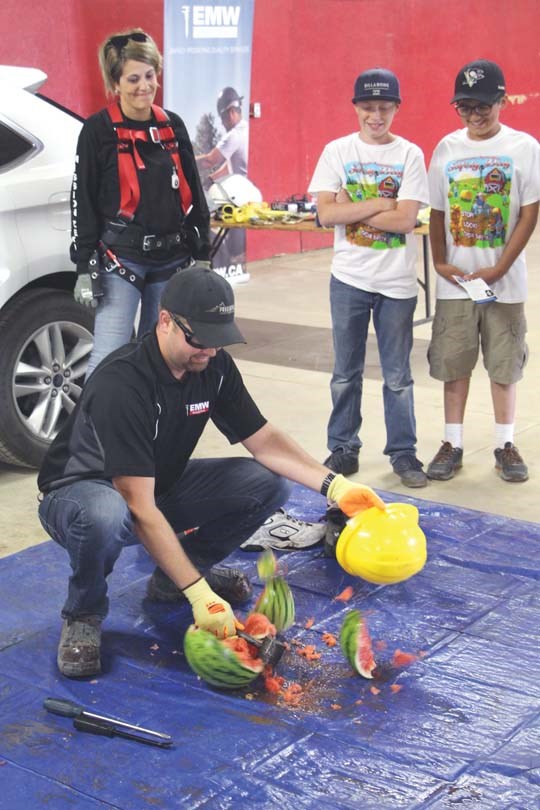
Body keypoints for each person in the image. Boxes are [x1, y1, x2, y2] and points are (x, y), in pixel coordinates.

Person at [37, 266, 385, 679]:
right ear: (164, 321)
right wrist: (200, 596)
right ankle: (84, 613)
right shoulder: (123, 382)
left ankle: (176, 575)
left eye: (218, 339)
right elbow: (138, 505)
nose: (210, 351)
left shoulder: (213, 367)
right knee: (105, 514)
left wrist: (337, 486)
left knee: (266, 484)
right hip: (81, 493)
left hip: (154, 483)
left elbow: (264, 440)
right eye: (199, 339)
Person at [308, 68, 429, 488]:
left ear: (396, 108)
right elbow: (326, 213)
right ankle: (343, 446)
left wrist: (354, 204)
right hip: (349, 279)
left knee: (397, 377)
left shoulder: (411, 155)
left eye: (384, 107)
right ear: (356, 107)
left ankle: (404, 452)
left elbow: (407, 219)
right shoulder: (336, 151)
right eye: (368, 107)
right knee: (345, 372)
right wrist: (381, 201)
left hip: (396, 284)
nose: (375, 116)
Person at [71, 28, 210, 378]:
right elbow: (83, 200)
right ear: (115, 83)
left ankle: (149, 429)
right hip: (122, 261)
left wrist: (203, 252)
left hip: (171, 258)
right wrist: (84, 266)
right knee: (108, 359)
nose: (144, 86)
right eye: (133, 79)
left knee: (162, 359)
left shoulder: (171, 126)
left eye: (150, 76)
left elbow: (194, 190)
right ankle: (93, 433)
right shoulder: (97, 131)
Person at [426, 59, 540, 483]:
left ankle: (504, 444)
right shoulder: (447, 149)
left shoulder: (524, 148)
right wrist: (439, 261)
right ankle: (451, 443)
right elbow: (437, 212)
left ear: (502, 101)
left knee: (504, 366)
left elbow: (529, 216)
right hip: (457, 284)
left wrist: (498, 269)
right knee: (454, 365)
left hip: (503, 284)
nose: (474, 116)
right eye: (465, 107)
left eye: (482, 106)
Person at [196, 86, 248, 185]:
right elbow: (231, 166)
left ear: (231, 112)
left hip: (242, 196)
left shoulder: (234, 135)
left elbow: (209, 161)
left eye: (222, 117)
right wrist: (211, 179)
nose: (222, 123)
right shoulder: (246, 129)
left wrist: (182, 161)